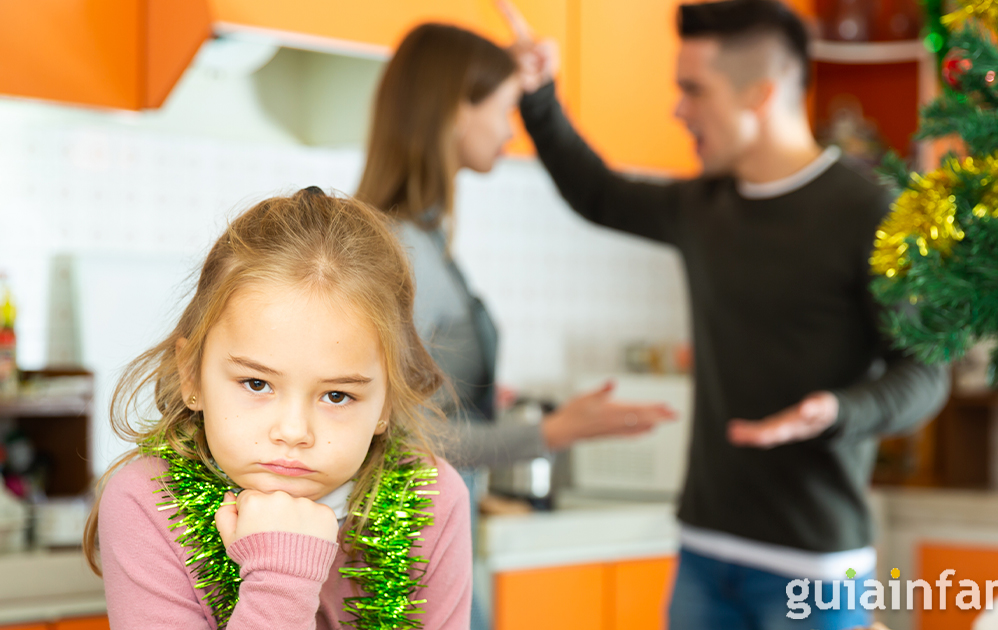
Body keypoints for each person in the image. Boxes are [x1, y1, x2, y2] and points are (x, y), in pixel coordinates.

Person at [501, 0, 951, 628]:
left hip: (816, 569)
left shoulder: (870, 214)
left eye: (693, 90)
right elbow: (597, 193)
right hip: (704, 555)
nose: (677, 110)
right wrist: (539, 96)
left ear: (759, 94)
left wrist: (839, 411)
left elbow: (927, 370)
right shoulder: (704, 207)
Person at [354, 23, 677, 630]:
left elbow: (421, 404)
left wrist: (476, 397)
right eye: (504, 109)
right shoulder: (404, 250)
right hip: (406, 558)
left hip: (431, 539)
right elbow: (398, 438)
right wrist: (548, 433)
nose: (510, 130)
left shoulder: (419, 240)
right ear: (458, 109)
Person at [84, 188, 471, 629]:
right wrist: (284, 579)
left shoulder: (431, 502)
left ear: (387, 401)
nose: (293, 431)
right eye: (257, 384)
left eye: (337, 395)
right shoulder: (149, 501)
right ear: (192, 375)